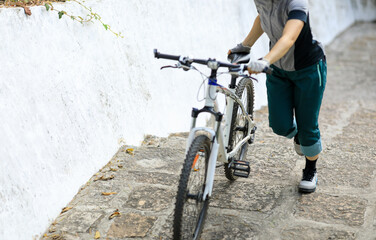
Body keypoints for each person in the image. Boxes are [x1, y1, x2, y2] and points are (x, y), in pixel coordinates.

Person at [228, 0, 326, 193]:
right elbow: (262, 19)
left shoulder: (296, 3)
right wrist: (245, 46)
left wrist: (265, 60)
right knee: (280, 125)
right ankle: (299, 136)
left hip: (308, 70)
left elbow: (289, 38)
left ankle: (310, 170)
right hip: (279, 70)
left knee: (308, 126)